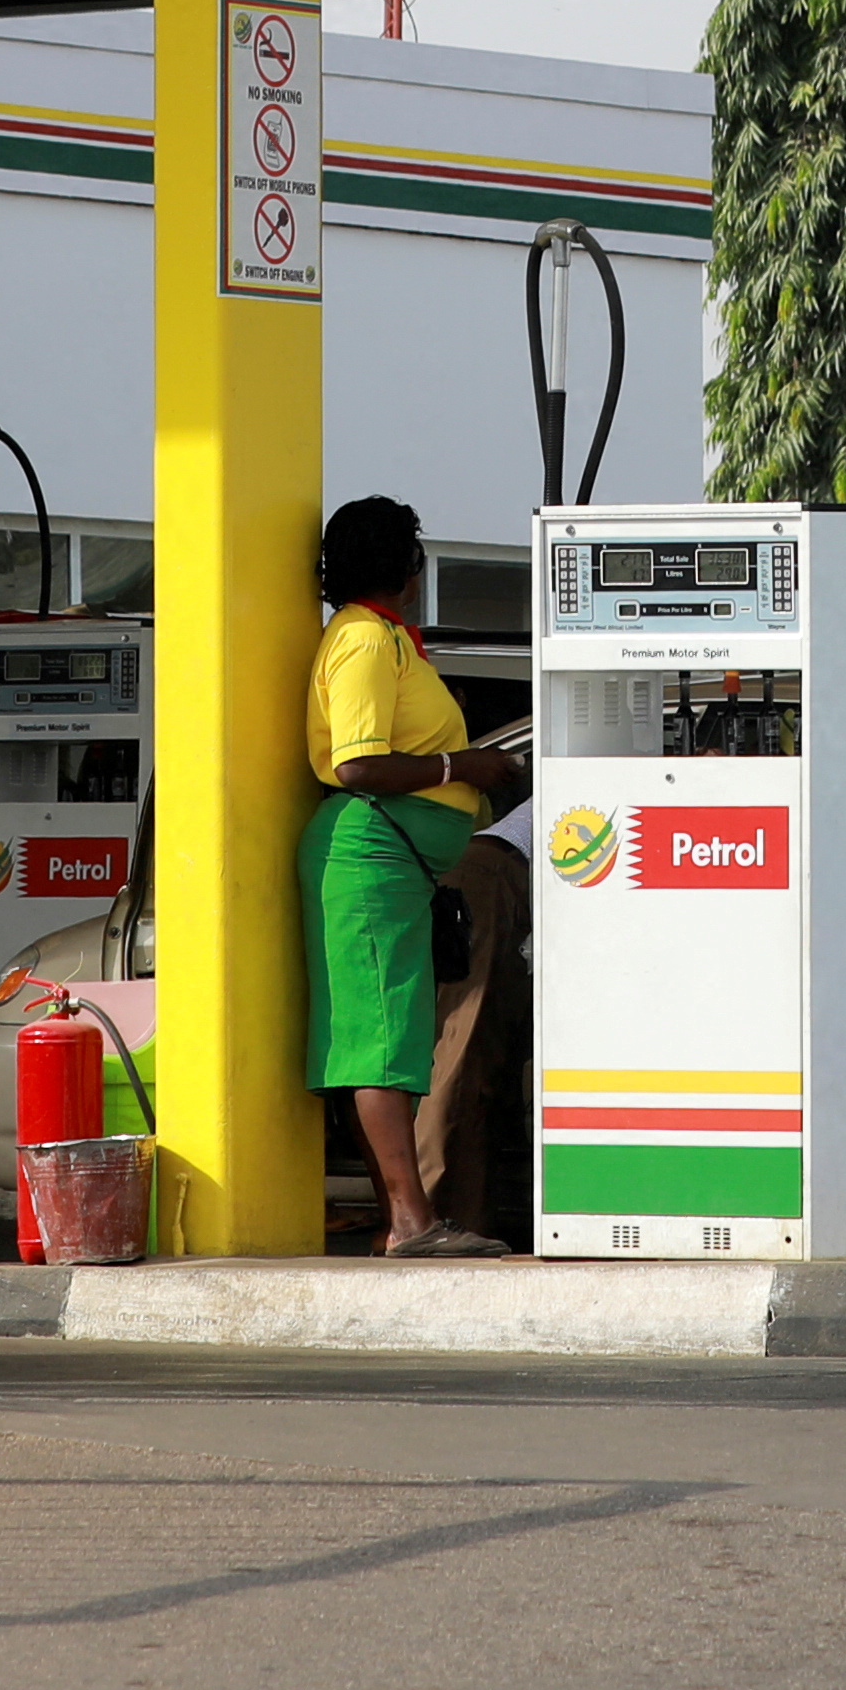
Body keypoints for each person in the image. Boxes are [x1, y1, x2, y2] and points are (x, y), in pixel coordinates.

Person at [301, 495, 515, 1256]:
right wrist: (465, 767)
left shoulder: (385, 636)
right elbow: (358, 763)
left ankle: (403, 1222)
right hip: (372, 857)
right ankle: (414, 1223)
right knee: (381, 1043)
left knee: (390, 1040)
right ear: (405, 566)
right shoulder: (364, 638)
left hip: (393, 861)